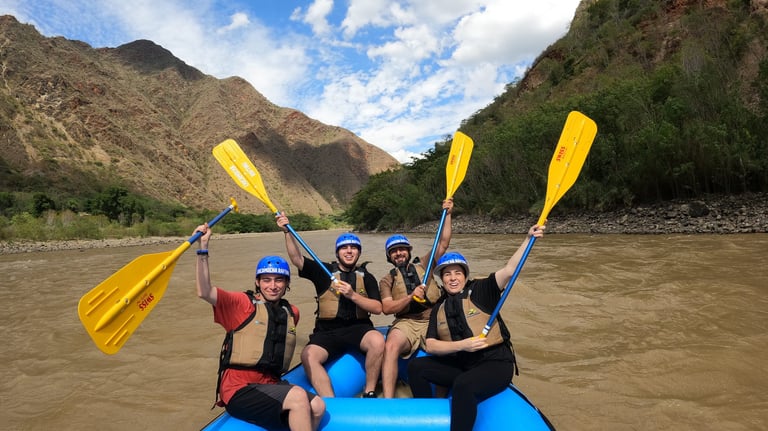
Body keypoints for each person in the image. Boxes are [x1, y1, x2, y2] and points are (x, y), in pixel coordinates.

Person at [407, 224, 545, 431]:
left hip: (495, 363)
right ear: (442, 280)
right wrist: (463, 345)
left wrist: (527, 239)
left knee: (464, 385)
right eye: (447, 274)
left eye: (457, 273)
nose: (453, 278)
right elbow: (433, 346)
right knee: (416, 367)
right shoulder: (439, 308)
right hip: (464, 363)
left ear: (465, 276)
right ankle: (428, 417)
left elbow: (509, 271)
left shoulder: (482, 290)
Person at [193, 223, 325, 431]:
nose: (273, 286)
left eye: (279, 280)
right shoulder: (241, 304)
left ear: (287, 284)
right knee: (299, 397)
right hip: (239, 388)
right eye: (267, 280)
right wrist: (203, 248)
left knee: (318, 406)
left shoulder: (292, 313)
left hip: (270, 383)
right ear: (257, 282)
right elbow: (204, 291)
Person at [275, 214, 385, 398]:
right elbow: (296, 258)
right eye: (344, 248)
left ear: (358, 253)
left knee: (378, 341)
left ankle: (370, 391)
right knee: (308, 355)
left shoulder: (367, 277)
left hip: (359, 329)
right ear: (337, 253)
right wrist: (287, 232)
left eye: (353, 248)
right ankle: (330, 401)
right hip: (327, 332)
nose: (349, 251)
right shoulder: (323, 271)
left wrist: (353, 295)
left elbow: (377, 308)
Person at [378, 198, 454, 398]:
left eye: (402, 249)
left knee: (448, 346)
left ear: (409, 251)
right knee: (391, 345)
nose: (399, 253)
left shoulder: (425, 264)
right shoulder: (386, 280)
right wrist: (411, 297)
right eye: (393, 251)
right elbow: (387, 308)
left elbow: (443, 242)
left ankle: (441, 400)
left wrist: (448, 213)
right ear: (389, 256)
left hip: (434, 317)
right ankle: (388, 400)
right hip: (407, 322)